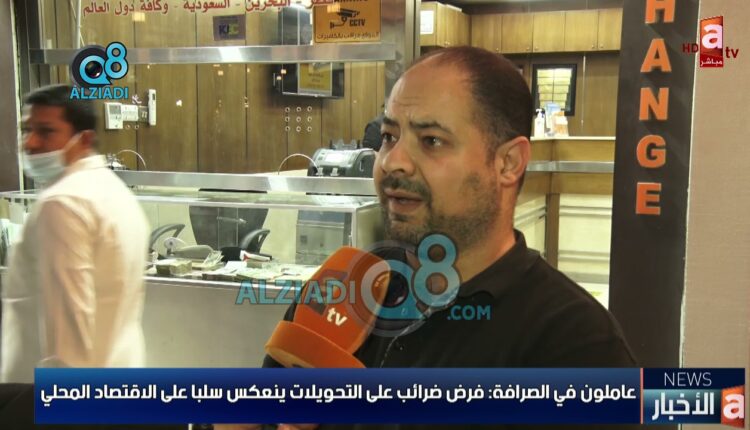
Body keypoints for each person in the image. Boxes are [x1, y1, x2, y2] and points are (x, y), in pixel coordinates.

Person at [224, 47, 637, 429]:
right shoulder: (340, 290)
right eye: (389, 137)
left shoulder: (576, 347)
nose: (393, 162)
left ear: (508, 163)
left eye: (431, 141)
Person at [1, 84, 149, 383]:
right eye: (26, 130)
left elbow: (68, 332)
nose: (30, 143)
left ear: (85, 139)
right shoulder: (113, 190)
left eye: (46, 131)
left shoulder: (63, 203)